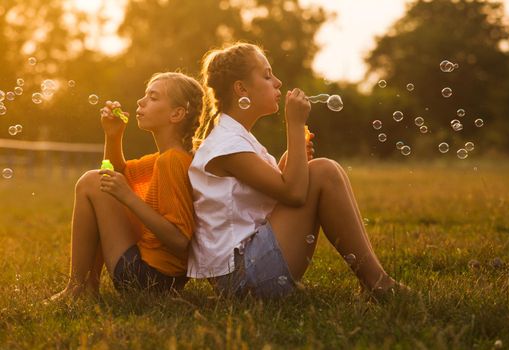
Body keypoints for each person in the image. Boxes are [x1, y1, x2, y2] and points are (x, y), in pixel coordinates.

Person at [188, 43, 408, 300]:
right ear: (241, 89)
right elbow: (292, 194)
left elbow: (267, 194)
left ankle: (373, 279)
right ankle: (378, 282)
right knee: (324, 171)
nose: (278, 82)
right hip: (243, 277)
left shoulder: (236, 137)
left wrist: (290, 161)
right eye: (267, 75)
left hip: (247, 266)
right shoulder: (227, 144)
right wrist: (294, 124)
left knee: (326, 169)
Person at [50, 72, 204, 300]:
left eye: (153, 97)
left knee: (90, 181)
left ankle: (78, 287)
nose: (141, 102)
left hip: (148, 279)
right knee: (97, 181)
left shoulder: (172, 161)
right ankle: (87, 288)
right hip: (158, 278)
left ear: (177, 114)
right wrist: (113, 135)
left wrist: (128, 197)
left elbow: (180, 241)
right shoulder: (165, 158)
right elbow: (115, 174)